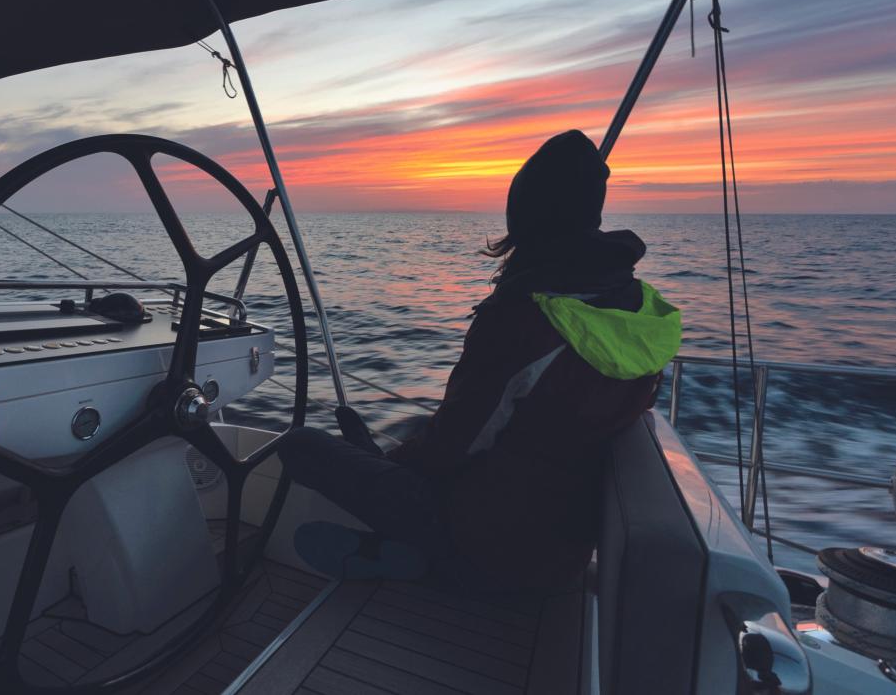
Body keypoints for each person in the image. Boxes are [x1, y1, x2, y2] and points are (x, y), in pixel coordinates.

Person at [276, 129, 682, 591]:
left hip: (486, 542)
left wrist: (378, 463)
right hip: (562, 556)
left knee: (301, 446)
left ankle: (429, 560)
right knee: (415, 438)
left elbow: (452, 447)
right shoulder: (639, 309)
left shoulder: (522, 318)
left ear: (527, 215)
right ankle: (411, 555)